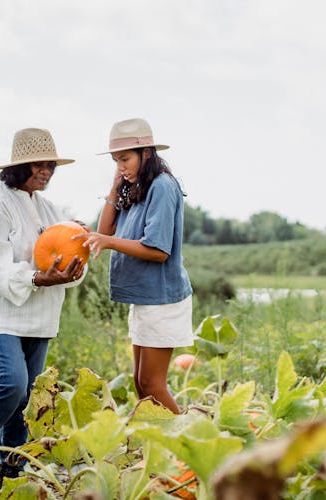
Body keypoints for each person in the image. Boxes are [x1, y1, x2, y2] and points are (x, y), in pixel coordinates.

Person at [0, 127, 86, 478]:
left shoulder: (49, 209)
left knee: (26, 398)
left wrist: (79, 250)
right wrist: (36, 278)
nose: (46, 171)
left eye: (50, 165)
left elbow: (62, 259)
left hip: (37, 315)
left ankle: (12, 472)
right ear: (17, 167)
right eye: (38, 165)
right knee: (11, 384)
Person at [77, 118, 193, 414]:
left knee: (153, 384)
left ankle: (188, 444)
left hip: (162, 297)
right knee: (141, 383)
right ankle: (162, 447)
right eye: (116, 161)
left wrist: (108, 241)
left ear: (147, 153)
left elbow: (157, 251)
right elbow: (103, 230)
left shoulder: (163, 186)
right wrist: (114, 189)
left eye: (125, 159)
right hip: (144, 297)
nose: (121, 167)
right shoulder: (135, 186)